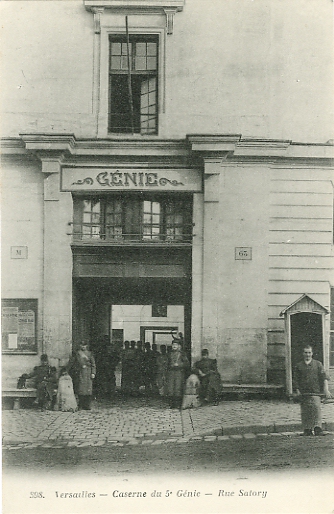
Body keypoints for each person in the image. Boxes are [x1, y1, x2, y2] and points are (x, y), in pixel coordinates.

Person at [293, 344, 332, 436]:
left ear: (312, 353)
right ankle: (307, 429)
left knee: (316, 409)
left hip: (315, 392)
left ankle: (317, 428)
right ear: (303, 353)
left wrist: (326, 389)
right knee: (305, 411)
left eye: (309, 352)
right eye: (306, 353)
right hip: (304, 392)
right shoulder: (299, 366)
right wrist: (297, 390)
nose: (308, 355)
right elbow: (296, 380)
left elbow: (324, 377)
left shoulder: (318, 364)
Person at [68, 343, 96, 410]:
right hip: (81, 373)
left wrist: (93, 373)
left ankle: (87, 405)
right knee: (80, 389)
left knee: (88, 390)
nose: (83, 347)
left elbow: (93, 364)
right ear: (80, 346)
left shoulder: (89, 354)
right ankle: (80, 404)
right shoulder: (77, 354)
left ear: (86, 346)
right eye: (82, 345)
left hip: (88, 373)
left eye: (85, 345)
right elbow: (73, 363)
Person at [166, 339, 190, 409]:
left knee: (178, 388)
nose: (174, 346)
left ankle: (178, 404)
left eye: (176, 345)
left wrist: (179, 364)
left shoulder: (182, 354)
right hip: (171, 372)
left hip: (179, 372)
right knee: (170, 388)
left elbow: (187, 364)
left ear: (179, 346)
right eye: (173, 345)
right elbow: (166, 364)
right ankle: (171, 404)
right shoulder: (169, 354)